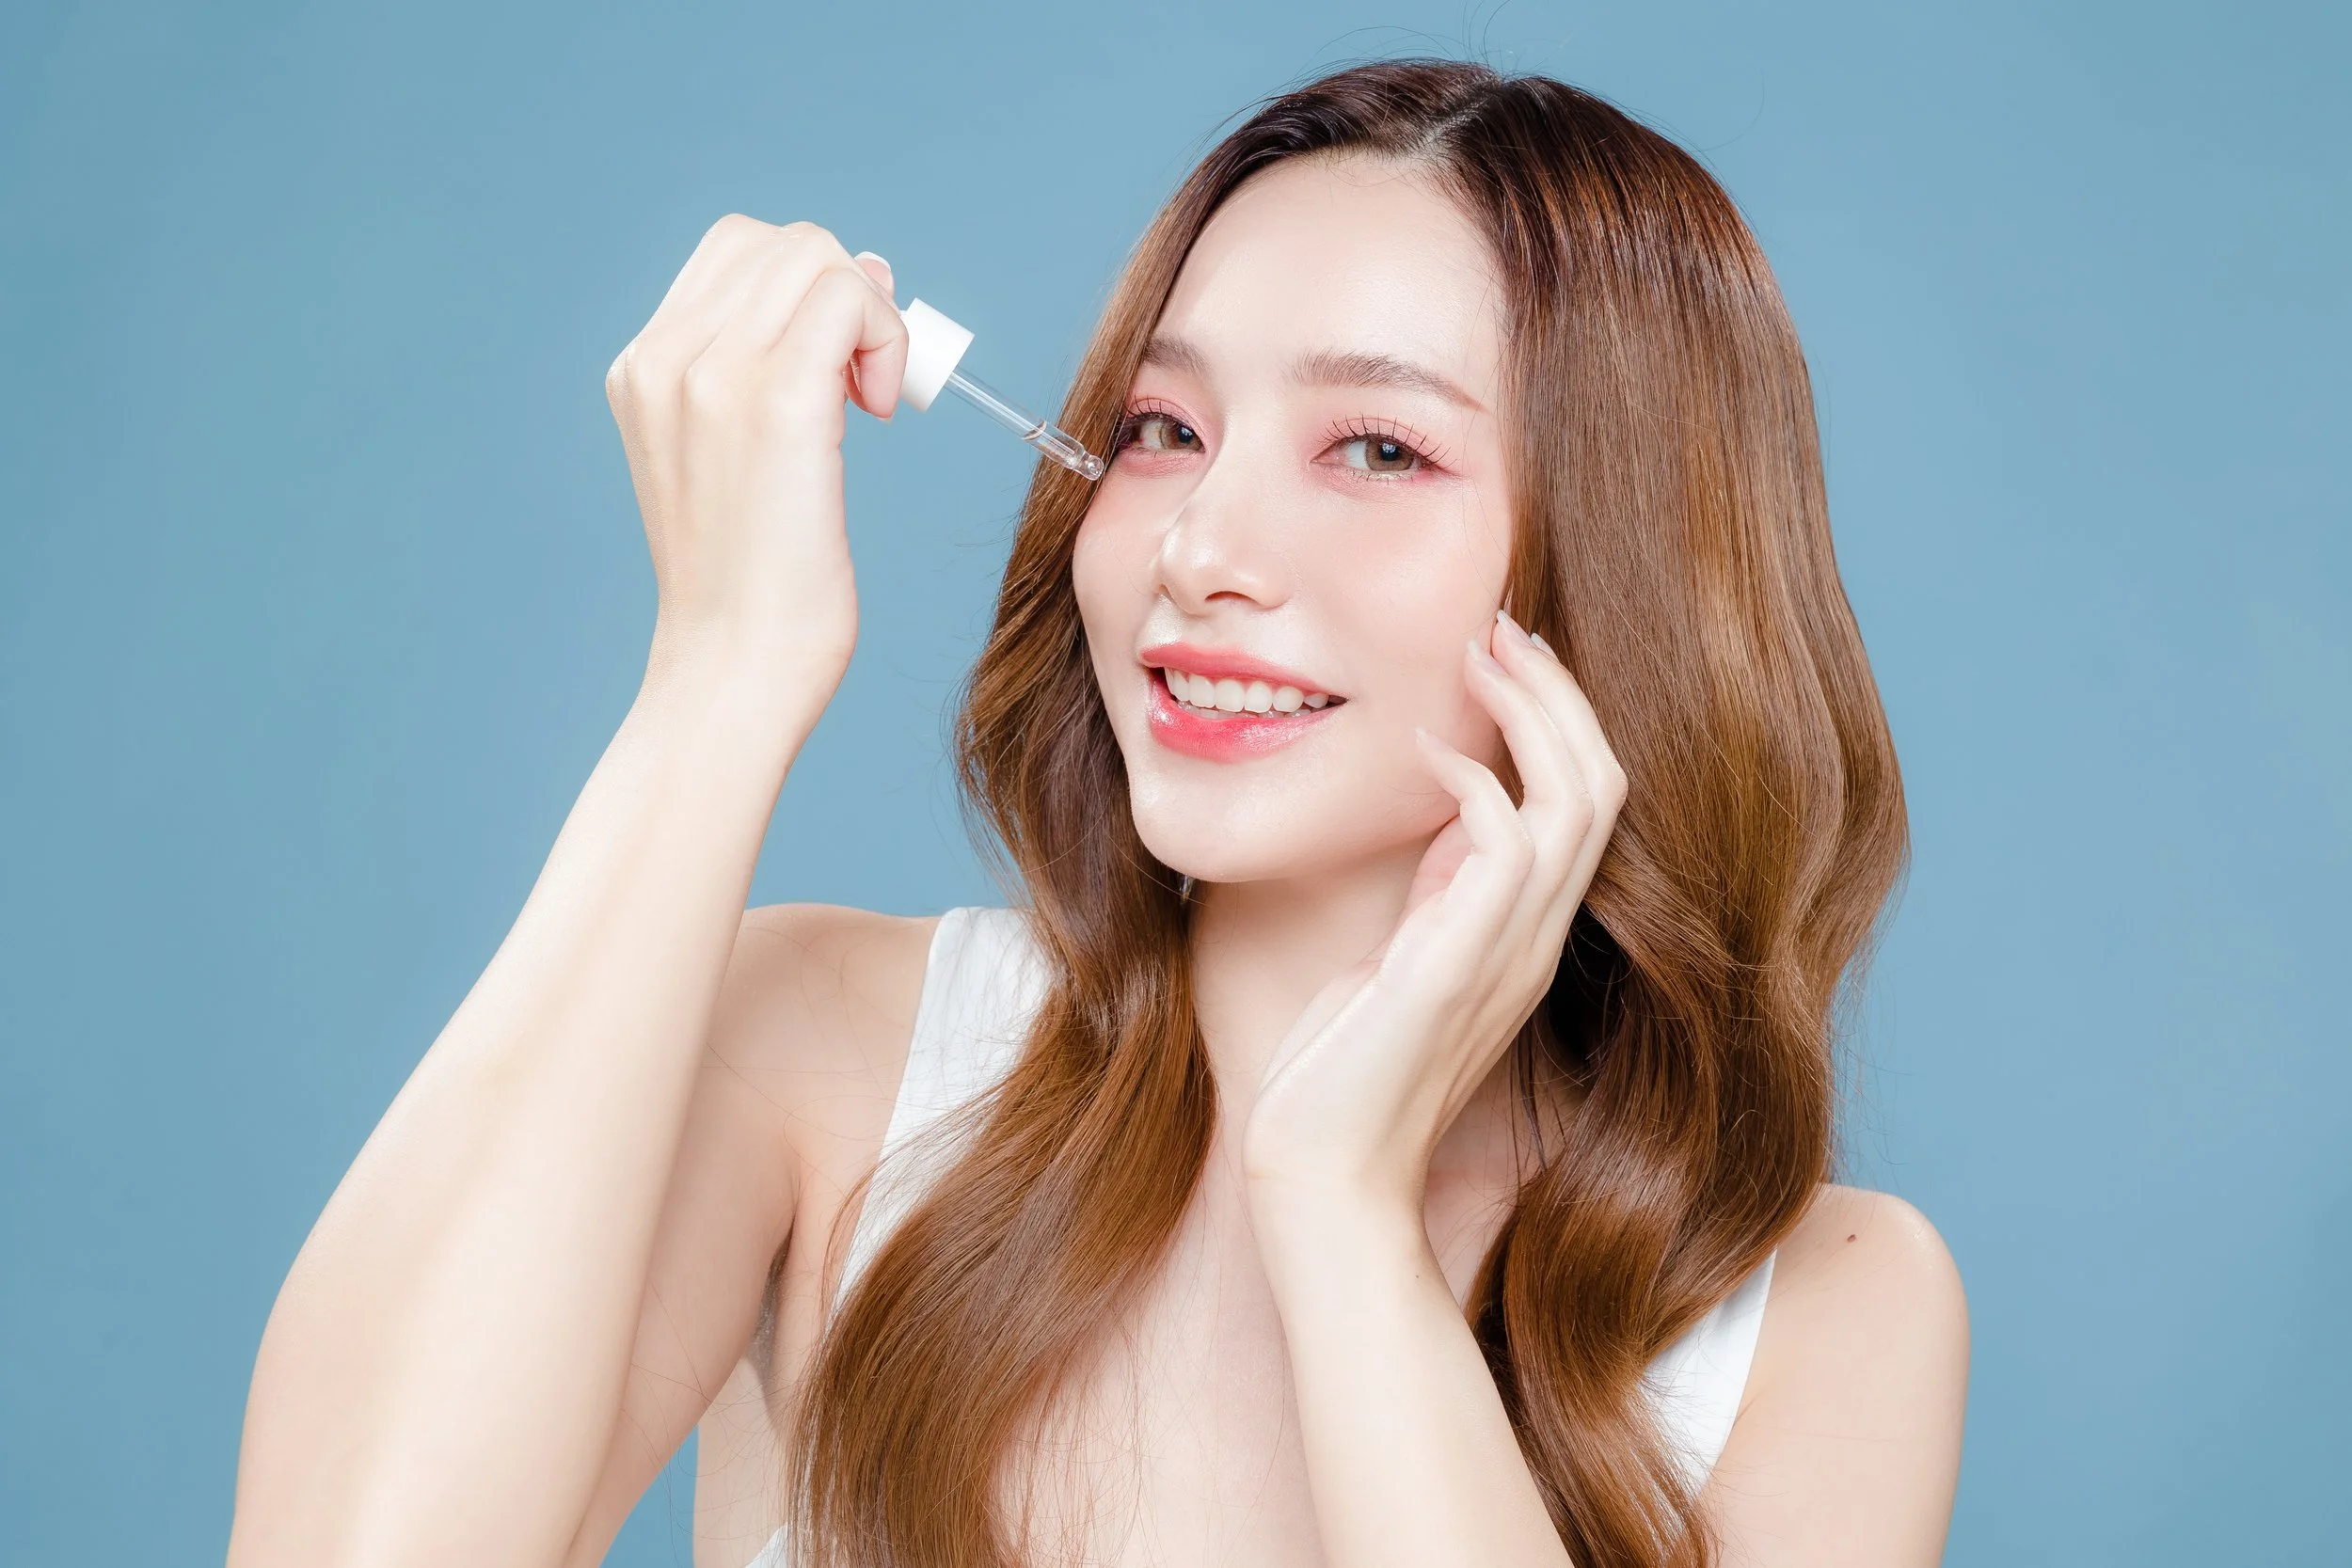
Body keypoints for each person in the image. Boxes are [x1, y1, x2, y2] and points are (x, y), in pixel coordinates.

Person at [229, 59, 1968, 1568]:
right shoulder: (829, 1059)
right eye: (1159, 426)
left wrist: (1341, 1203)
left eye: (1376, 450)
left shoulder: (1822, 1304)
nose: (1201, 550)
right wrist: (719, 673)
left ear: (1640, 573)